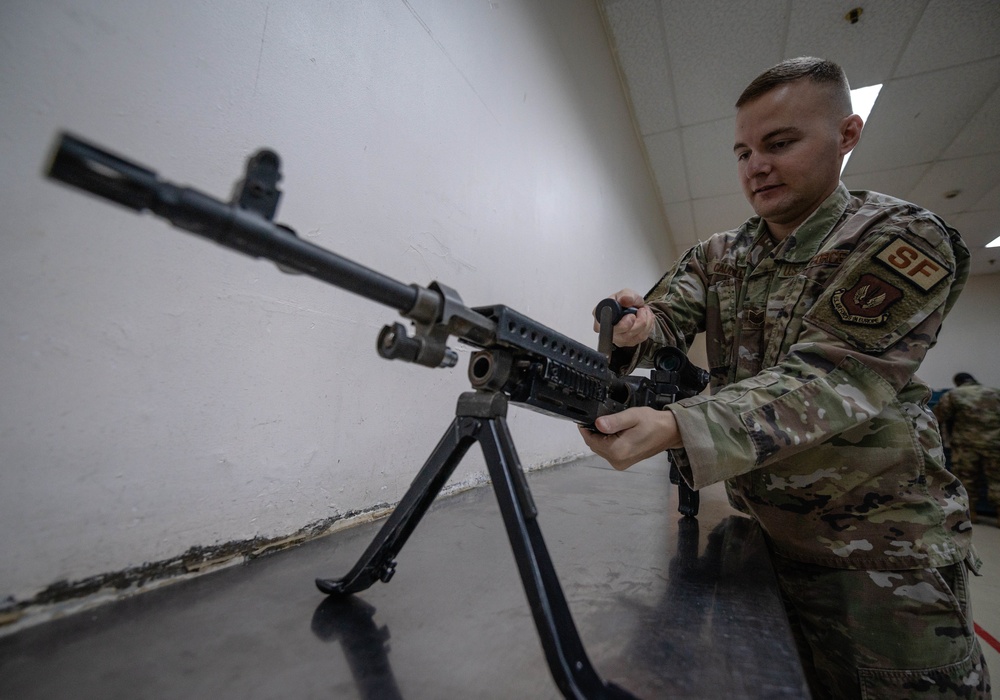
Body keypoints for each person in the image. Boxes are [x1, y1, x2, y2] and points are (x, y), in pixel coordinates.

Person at [580, 57, 990, 698]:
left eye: (779, 144)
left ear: (847, 135)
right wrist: (638, 326)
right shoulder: (723, 253)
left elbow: (831, 376)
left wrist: (680, 425)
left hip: (880, 560)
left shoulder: (899, 237)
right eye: (743, 151)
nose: (755, 167)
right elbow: (667, 312)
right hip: (762, 539)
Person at [934, 372, 1000, 523]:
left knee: (966, 481)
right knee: (997, 480)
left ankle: (971, 516)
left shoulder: (954, 394)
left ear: (958, 382)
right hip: (995, 445)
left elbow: (938, 416)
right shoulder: (996, 393)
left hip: (966, 446)